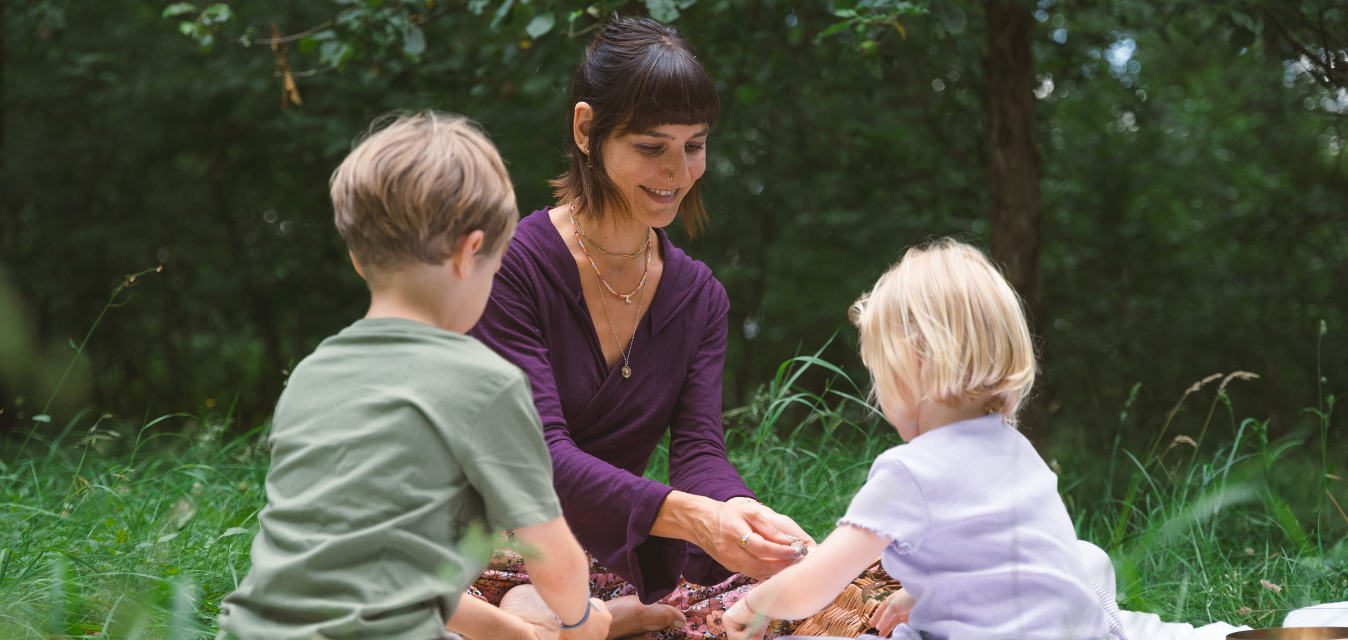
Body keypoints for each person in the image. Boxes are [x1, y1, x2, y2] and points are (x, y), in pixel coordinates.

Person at [466, 15, 812, 640]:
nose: (678, 172)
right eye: (652, 147)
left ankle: (592, 617)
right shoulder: (511, 267)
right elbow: (540, 456)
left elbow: (701, 453)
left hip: (613, 542)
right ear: (585, 129)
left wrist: (738, 512)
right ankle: (563, 614)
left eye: (696, 145)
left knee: (821, 589)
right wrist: (688, 517)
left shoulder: (700, 297)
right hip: (501, 531)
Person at [215, 111, 611, 640]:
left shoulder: (312, 374)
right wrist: (584, 621)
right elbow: (554, 561)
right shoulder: (484, 383)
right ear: (472, 252)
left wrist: (514, 635)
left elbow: (377, 573)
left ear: (358, 259)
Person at [723, 239, 1111, 640]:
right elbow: (1003, 563)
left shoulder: (910, 470)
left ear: (912, 362)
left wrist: (755, 604)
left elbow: (811, 588)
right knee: (1089, 559)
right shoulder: (1017, 450)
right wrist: (924, 593)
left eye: (879, 374)